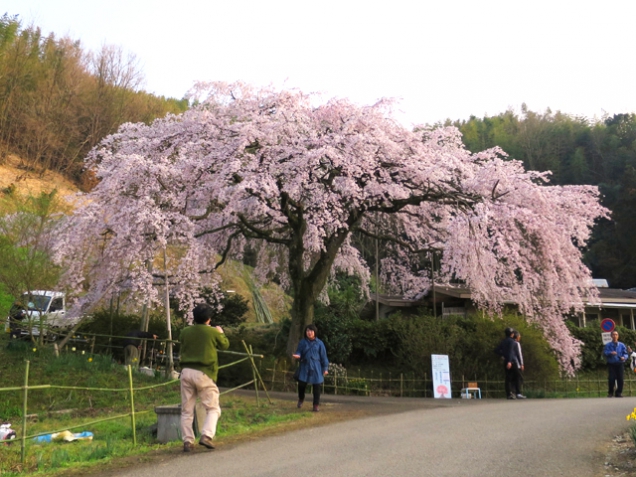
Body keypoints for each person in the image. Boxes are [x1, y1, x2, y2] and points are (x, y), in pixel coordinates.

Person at [179, 303, 229, 452]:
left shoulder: (185, 332)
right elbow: (225, 345)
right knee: (213, 408)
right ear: (209, 318)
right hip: (204, 372)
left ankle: (188, 441)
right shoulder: (212, 332)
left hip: (186, 371)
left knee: (186, 410)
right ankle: (206, 435)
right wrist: (220, 333)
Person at [292, 324, 329, 412]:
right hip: (305, 365)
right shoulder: (303, 342)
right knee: (301, 385)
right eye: (308, 331)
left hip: (316, 367)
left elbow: (324, 357)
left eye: (311, 331)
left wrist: (325, 368)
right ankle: (301, 398)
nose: (309, 333)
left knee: (317, 386)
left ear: (315, 332)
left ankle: (315, 405)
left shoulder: (320, 343)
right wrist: (298, 355)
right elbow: (299, 351)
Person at [495, 327, 518, 400]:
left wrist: (503, 355)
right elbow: (511, 351)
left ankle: (508, 393)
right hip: (512, 361)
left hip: (506, 361)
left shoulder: (503, 341)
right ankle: (513, 392)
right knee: (515, 377)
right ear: (512, 334)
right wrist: (510, 361)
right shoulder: (512, 341)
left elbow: (496, 350)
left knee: (508, 378)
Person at [604, 330, 629, 397]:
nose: (615, 336)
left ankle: (619, 393)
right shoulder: (608, 345)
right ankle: (610, 392)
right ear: (611, 336)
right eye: (613, 335)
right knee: (611, 378)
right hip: (611, 364)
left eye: (616, 334)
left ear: (618, 336)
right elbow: (605, 353)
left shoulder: (622, 345)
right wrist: (610, 353)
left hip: (620, 363)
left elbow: (626, 354)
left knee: (620, 378)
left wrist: (624, 357)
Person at [512, 331, 526, 399]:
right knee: (518, 378)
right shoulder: (517, 343)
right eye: (519, 336)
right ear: (517, 337)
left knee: (512, 378)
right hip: (516, 363)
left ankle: (512, 392)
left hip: (510, 362)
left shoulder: (510, 343)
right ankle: (518, 393)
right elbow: (519, 354)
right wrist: (522, 364)